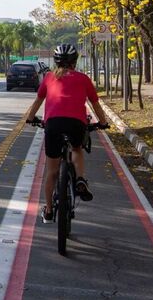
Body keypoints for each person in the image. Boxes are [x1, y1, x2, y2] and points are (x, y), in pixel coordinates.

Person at [25, 43, 110, 223]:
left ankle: (48, 210)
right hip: (76, 124)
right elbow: (95, 104)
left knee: (52, 172)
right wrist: (103, 123)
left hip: (53, 125)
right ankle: (79, 179)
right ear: (74, 61)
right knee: (77, 149)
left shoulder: (48, 77)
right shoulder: (83, 78)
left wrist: (30, 118)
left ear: (56, 62)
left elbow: (38, 102)